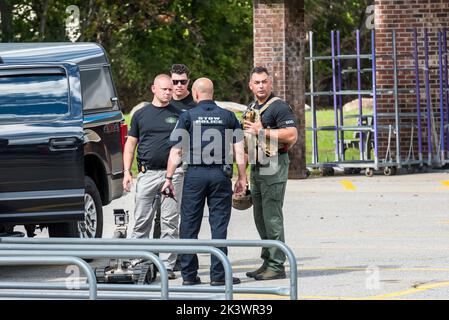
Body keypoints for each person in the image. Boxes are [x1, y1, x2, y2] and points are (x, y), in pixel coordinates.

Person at [162, 77, 247, 286]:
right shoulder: (228, 116)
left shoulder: (188, 116)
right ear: (212, 93)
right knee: (219, 225)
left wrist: (168, 177)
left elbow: (176, 151)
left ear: (196, 94)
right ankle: (218, 276)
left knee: (189, 224)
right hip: (220, 175)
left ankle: (189, 276)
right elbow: (239, 150)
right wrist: (242, 178)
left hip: (194, 176)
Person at [122, 74, 183, 280]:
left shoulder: (180, 114)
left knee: (169, 222)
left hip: (172, 175)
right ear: (153, 89)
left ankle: (166, 266)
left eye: (170, 89)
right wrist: (126, 172)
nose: (168, 92)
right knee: (141, 220)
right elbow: (130, 144)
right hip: (146, 173)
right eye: (164, 89)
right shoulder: (141, 114)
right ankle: (137, 261)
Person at [243, 66, 298, 281]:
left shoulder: (279, 107)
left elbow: (291, 135)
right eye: (257, 82)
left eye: (264, 82)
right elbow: (247, 142)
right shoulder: (251, 108)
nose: (261, 86)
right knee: (260, 217)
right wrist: (241, 174)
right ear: (250, 85)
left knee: (272, 216)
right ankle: (267, 261)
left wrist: (261, 131)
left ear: (270, 84)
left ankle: (277, 265)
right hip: (257, 165)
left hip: (273, 163)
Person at [153, 64, 196, 273]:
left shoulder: (194, 105)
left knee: (183, 213)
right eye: (174, 82)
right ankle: (158, 254)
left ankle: (181, 255)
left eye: (182, 82)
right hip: (162, 167)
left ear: (189, 82)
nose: (178, 86)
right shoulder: (163, 102)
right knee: (162, 214)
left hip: (188, 166)